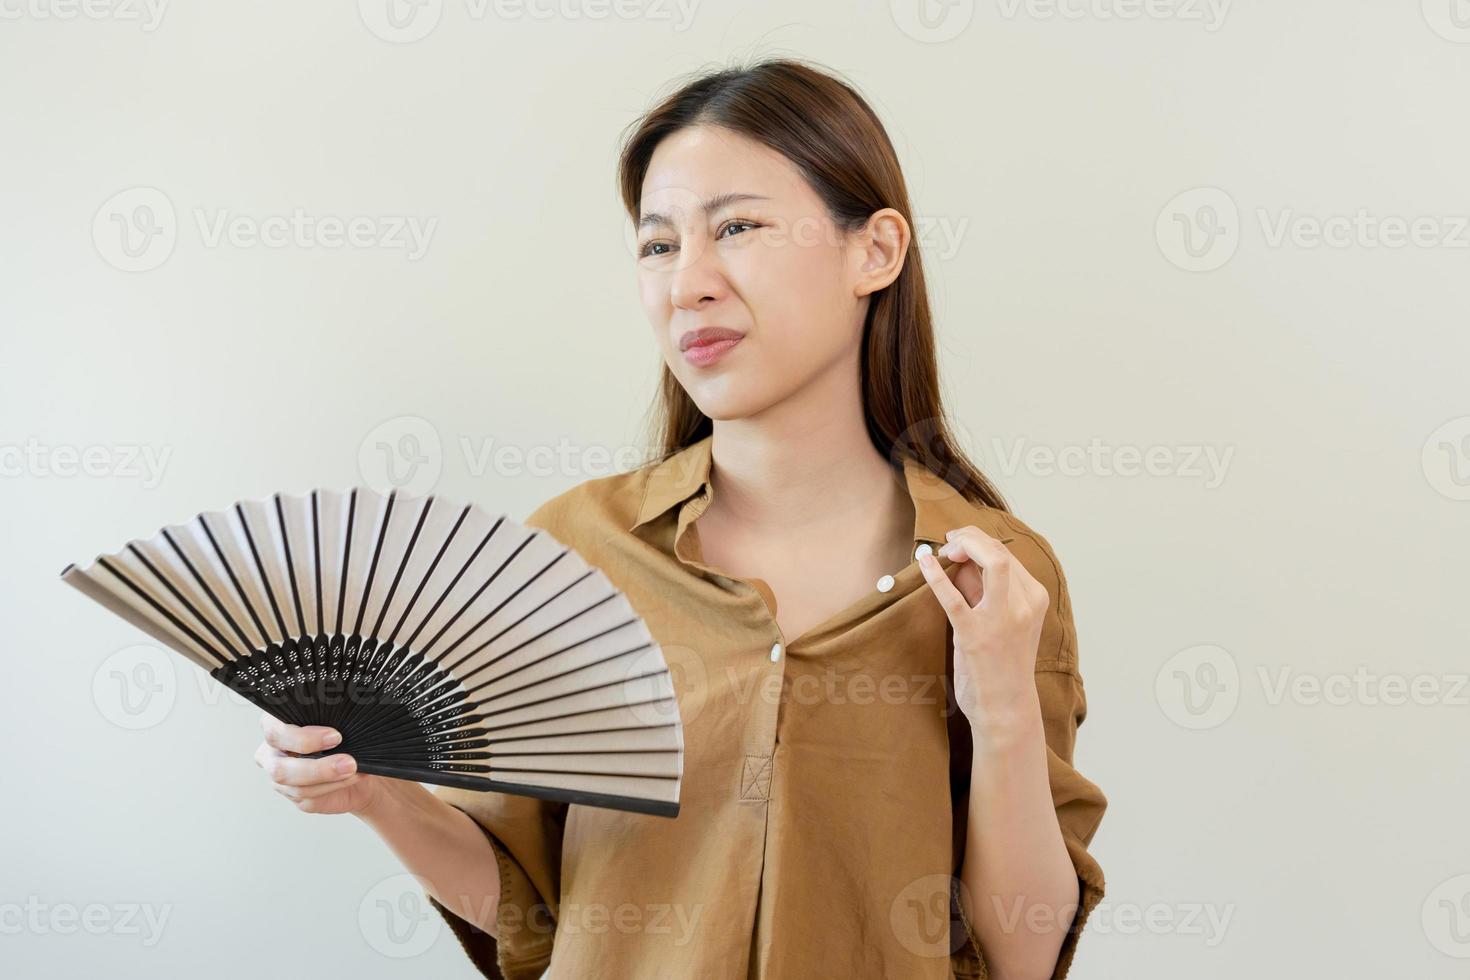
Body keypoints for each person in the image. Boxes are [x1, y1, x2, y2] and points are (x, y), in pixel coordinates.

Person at [254, 57, 1107, 980]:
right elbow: (533, 914)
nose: (687, 283)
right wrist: (374, 791)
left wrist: (1006, 705)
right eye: (658, 245)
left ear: (876, 251)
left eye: (737, 227)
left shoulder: (997, 579)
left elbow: (1021, 955)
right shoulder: (578, 554)